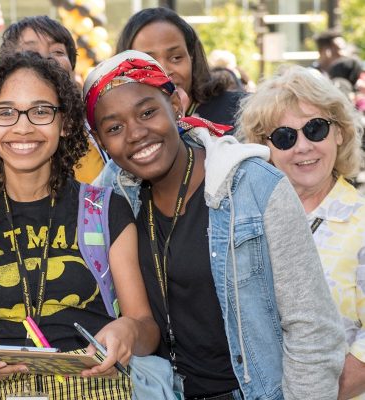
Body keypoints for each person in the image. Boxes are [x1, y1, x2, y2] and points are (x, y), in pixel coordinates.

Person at [85, 50, 345, 399]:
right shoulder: (112, 196)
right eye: (114, 128)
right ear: (101, 142)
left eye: (147, 112)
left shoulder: (255, 186)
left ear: (176, 104)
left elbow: (312, 328)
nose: (135, 133)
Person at [0, 51, 159, 399]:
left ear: (65, 123)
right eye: (6, 112)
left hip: (99, 389)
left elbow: (146, 327)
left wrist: (128, 330)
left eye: (41, 111)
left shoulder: (105, 210)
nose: (23, 127)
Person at [238, 66, 365, 400]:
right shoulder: (245, 223)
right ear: (263, 148)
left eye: (315, 128)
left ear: (340, 133)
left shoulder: (362, 222)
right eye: (284, 136)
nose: (303, 146)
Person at [0, 15, 107, 184]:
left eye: (57, 51)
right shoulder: (1, 133)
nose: (46, 58)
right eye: (32, 52)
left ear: (72, 67)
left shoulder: (98, 124)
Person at [116, 7, 243, 127]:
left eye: (176, 58)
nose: (164, 72)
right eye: (147, 63)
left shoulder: (239, 112)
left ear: (191, 56)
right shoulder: (123, 131)